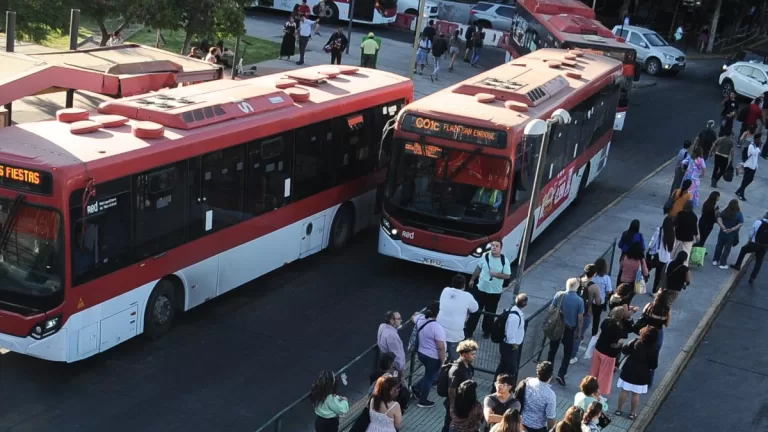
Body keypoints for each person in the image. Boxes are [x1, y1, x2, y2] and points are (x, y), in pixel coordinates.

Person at [465, 240, 512, 339]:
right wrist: (472, 279)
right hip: (480, 289)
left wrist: (496, 274)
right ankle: (469, 331)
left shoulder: (504, 261)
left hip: (494, 292)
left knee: (490, 313)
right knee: (476, 311)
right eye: (493, 245)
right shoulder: (485, 256)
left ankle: (487, 331)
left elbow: (507, 275)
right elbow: (478, 268)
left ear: (500, 248)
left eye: (497, 246)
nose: (494, 247)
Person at [547, 278, 585, 386]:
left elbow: (551, 309)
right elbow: (580, 318)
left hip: (556, 327)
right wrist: (579, 332)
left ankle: (548, 373)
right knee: (567, 353)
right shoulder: (579, 301)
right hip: (569, 329)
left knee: (552, 350)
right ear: (577, 287)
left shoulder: (559, 295)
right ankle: (561, 374)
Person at [616, 327, 659, 421]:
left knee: (624, 391)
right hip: (642, 374)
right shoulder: (653, 349)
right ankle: (632, 414)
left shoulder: (635, 341)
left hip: (628, 370)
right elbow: (653, 365)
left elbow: (624, 351)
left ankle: (619, 410)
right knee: (635, 394)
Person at [411, 301, 446, 408]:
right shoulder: (437, 327)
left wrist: (418, 314)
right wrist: (443, 361)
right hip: (433, 357)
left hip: (421, 353)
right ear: (437, 313)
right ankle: (423, 400)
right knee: (429, 378)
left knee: (429, 375)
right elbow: (440, 347)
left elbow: (414, 317)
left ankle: (416, 388)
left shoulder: (420, 319)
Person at [589, 307, 630, 397]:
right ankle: (597, 395)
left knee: (594, 372)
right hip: (609, 354)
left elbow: (599, 332)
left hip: (598, 349)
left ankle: (590, 389)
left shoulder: (606, 321)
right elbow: (620, 342)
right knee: (604, 376)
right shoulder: (618, 329)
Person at [438, 274, 479, 362]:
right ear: (464, 285)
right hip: (455, 334)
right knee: (455, 359)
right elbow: (475, 309)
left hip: (440, 331)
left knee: (439, 356)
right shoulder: (467, 296)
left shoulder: (445, 290)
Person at [445, 340, 479, 432]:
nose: (474, 356)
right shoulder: (457, 370)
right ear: (464, 355)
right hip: (456, 406)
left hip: (464, 405)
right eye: (472, 354)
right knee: (449, 426)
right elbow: (451, 391)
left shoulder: (467, 366)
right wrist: (453, 409)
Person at [640, 289, 671, 387]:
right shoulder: (666, 310)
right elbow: (667, 324)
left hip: (646, 331)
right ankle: (649, 382)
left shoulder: (649, 306)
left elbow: (643, 315)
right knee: (653, 357)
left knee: (642, 352)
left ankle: (638, 376)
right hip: (658, 333)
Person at [571, 265, 601, 364]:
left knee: (572, 331)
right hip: (586, 313)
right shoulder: (594, 287)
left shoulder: (576, 281)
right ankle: (572, 355)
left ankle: (569, 348)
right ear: (595, 274)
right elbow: (598, 302)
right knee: (579, 334)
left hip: (573, 311)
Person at [495, 293, 527, 384]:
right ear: (526, 305)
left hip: (509, 346)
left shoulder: (513, 311)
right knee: (511, 370)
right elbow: (510, 334)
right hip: (510, 347)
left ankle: (497, 386)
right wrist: (514, 345)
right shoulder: (515, 317)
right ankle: (507, 388)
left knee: (503, 367)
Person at [731, 211, 768, 284]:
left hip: (755, 243)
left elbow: (752, 232)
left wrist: (749, 241)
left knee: (743, 250)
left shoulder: (759, 222)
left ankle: (738, 265)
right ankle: (752, 277)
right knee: (759, 261)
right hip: (764, 246)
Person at [521, 361, 557, 432]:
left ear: (537, 373)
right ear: (550, 377)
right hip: (538, 428)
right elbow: (550, 417)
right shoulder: (550, 395)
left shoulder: (528, 382)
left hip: (522, 423)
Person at [713, 199, 744, 269]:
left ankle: (715, 260)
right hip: (731, 234)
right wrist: (732, 229)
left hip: (722, 232)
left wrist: (723, 227)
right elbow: (740, 223)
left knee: (719, 246)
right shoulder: (739, 214)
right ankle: (722, 263)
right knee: (727, 249)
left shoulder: (725, 211)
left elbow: (719, 219)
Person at [649, 216, 675, 294]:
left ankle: (654, 290)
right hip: (667, 258)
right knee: (662, 275)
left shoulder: (659, 230)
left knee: (655, 273)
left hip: (658, 256)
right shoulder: (673, 233)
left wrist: (650, 248)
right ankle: (659, 291)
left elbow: (653, 242)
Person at [377, 311, 405, 375]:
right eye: (399, 319)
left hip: (387, 365)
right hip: (394, 369)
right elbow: (396, 355)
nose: (401, 320)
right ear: (392, 321)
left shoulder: (382, 326)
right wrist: (401, 370)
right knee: (397, 383)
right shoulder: (392, 336)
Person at [735, 132, 760, 201]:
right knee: (745, 180)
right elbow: (753, 153)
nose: (760, 141)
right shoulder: (751, 146)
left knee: (750, 180)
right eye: (759, 139)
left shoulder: (756, 146)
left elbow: (756, 157)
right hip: (748, 166)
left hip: (753, 167)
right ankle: (741, 194)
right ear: (756, 139)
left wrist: (756, 165)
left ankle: (739, 191)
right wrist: (758, 148)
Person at [673, 200, 699, 266]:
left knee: (673, 250)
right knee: (687, 252)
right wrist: (697, 236)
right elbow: (694, 228)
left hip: (678, 235)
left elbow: (674, 223)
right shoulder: (694, 216)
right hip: (688, 237)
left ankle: (670, 261)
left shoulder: (680, 214)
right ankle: (685, 265)